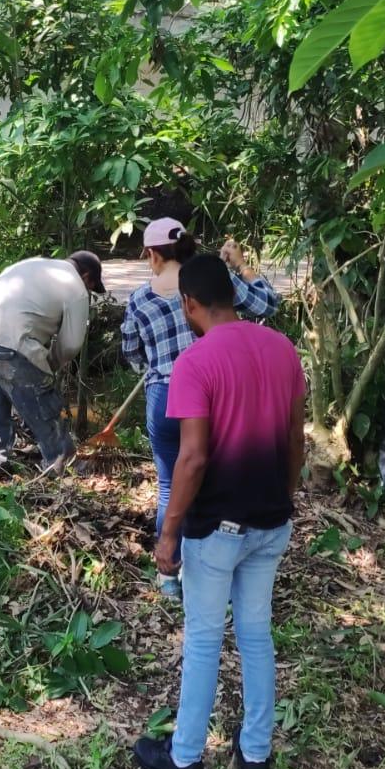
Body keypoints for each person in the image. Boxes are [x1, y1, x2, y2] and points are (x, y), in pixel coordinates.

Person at [132, 253, 306, 769]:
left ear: (188, 303)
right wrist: (285, 495)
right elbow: (296, 440)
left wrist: (168, 533)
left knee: (205, 638)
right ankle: (255, 757)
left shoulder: (195, 362)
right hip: (271, 520)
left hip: (216, 529)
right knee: (255, 633)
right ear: (231, 294)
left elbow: (192, 459)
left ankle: (184, 759)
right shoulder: (281, 348)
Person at [120, 218, 281, 548]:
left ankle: (168, 573)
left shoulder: (138, 299)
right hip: (214, 394)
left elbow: (132, 353)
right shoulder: (209, 286)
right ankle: (209, 559)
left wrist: (153, 366)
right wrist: (241, 266)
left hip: (163, 396)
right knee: (213, 478)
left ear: (152, 254)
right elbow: (268, 304)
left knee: (169, 486)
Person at [0, 251, 105, 479]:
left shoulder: (33, 264)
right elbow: (71, 344)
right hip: (10, 340)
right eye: (91, 286)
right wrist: (48, 367)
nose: (88, 291)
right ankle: (62, 466)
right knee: (43, 405)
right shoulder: (76, 287)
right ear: (86, 276)